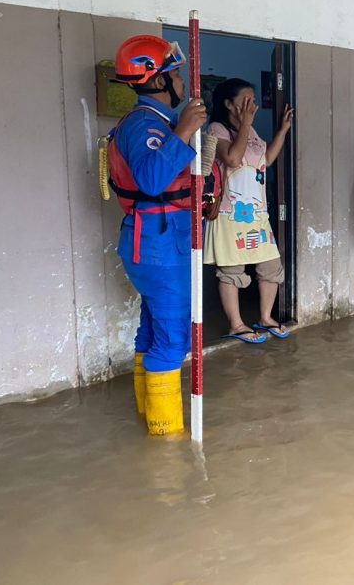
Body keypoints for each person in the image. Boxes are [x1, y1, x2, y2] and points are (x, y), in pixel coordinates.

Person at [109, 35, 206, 436]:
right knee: (174, 339)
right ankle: (166, 440)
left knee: (153, 330)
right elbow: (151, 179)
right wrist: (183, 130)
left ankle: (147, 418)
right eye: (175, 73)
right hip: (157, 244)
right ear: (156, 81)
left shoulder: (157, 122)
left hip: (162, 240)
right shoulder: (145, 125)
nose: (182, 81)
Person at [204, 78, 293, 343]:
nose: (252, 105)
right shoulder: (217, 128)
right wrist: (244, 125)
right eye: (247, 100)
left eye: (253, 100)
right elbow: (231, 158)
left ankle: (265, 317)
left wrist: (282, 131)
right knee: (232, 271)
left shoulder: (251, 131)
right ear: (229, 104)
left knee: (270, 265)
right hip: (230, 213)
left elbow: (265, 160)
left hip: (257, 213)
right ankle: (237, 324)